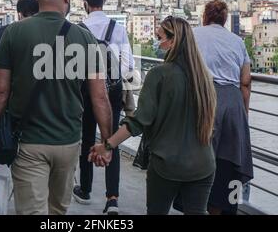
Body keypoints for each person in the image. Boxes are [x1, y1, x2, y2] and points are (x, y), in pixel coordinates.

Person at [0, 0, 113, 215]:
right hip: (69, 141)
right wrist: (107, 143)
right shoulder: (85, 38)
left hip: (28, 140)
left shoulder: (14, 33)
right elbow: (100, 97)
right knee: (57, 211)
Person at [90, 16, 217, 215]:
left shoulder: (159, 74)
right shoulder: (205, 76)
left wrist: (106, 146)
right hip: (204, 164)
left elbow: (139, 121)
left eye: (160, 37)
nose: (158, 43)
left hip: (167, 164)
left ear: (173, 41)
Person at [72, 0, 134, 215]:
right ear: (104, 1)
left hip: (87, 90)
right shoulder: (116, 28)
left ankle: (85, 189)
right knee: (111, 139)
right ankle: (112, 198)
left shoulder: (78, 29)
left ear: (84, 3)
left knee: (87, 137)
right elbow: (128, 64)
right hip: (113, 89)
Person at [193, 0, 253, 215]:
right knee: (231, 162)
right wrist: (243, 114)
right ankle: (228, 207)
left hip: (205, 99)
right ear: (225, 20)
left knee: (202, 157)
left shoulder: (193, 34)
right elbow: (245, 81)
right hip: (233, 102)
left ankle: (202, 205)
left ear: (204, 17)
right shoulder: (237, 41)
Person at [0, 0, 39, 109]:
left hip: (11, 98)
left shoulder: (3, 33)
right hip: (38, 99)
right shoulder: (50, 32)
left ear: (19, 14)